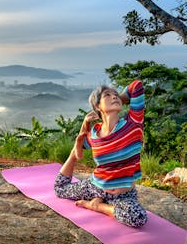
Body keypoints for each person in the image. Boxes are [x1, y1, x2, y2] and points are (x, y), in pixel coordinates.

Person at [54, 79, 147, 228]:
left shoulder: (133, 123)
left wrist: (118, 99)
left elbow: (137, 86)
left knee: (138, 217)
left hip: (123, 194)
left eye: (115, 94)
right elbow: (78, 150)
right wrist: (85, 124)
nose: (114, 96)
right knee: (59, 189)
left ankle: (97, 206)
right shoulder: (95, 133)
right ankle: (99, 200)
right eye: (107, 95)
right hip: (95, 187)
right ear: (97, 106)